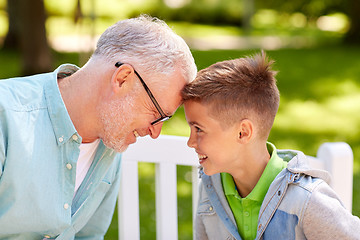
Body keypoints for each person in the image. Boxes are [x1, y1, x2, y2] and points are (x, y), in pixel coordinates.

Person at [0, 15, 197, 239]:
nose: (155, 132)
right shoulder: (6, 117)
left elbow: (88, 236)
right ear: (122, 79)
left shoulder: (110, 144)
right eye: (157, 114)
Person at [181, 51, 360, 240]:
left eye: (199, 129)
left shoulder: (308, 202)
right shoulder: (210, 189)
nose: (190, 142)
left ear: (243, 132)